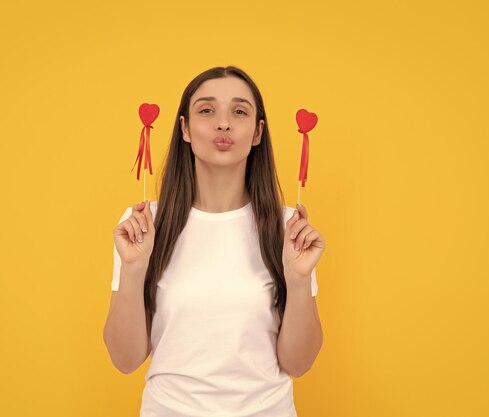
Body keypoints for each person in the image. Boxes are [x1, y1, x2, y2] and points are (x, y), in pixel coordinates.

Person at [103, 65, 326, 417]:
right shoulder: (145, 226)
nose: (224, 123)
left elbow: (298, 363)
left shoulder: (289, 229)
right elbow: (125, 360)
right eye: (207, 110)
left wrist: (298, 281)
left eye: (239, 111)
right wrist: (133, 270)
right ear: (185, 129)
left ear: (257, 133)